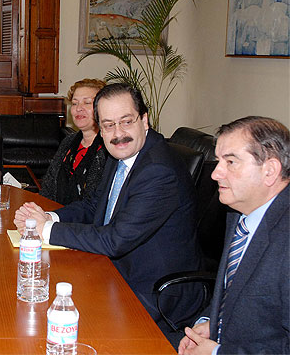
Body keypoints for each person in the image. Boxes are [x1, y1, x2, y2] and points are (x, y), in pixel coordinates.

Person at [14, 83, 202, 332]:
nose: (118, 133)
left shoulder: (158, 170)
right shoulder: (121, 154)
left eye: (126, 121)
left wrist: (46, 229)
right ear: (100, 129)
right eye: (108, 125)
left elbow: (115, 240)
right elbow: (95, 206)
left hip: (153, 290)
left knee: (55, 317)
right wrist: (49, 216)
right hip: (115, 269)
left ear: (144, 120)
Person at [178, 117, 289, 355]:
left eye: (231, 162)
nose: (216, 174)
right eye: (219, 161)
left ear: (270, 170)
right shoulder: (241, 214)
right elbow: (235, 294)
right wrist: (208, 322)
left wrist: (217, 353)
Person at [40, 78, 108, 205]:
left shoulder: (109, 148)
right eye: (75, 103)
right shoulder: (69, 141)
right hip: (55, 215)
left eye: (87, 103)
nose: (79, 108)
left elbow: (96, 204)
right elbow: (48, 186)